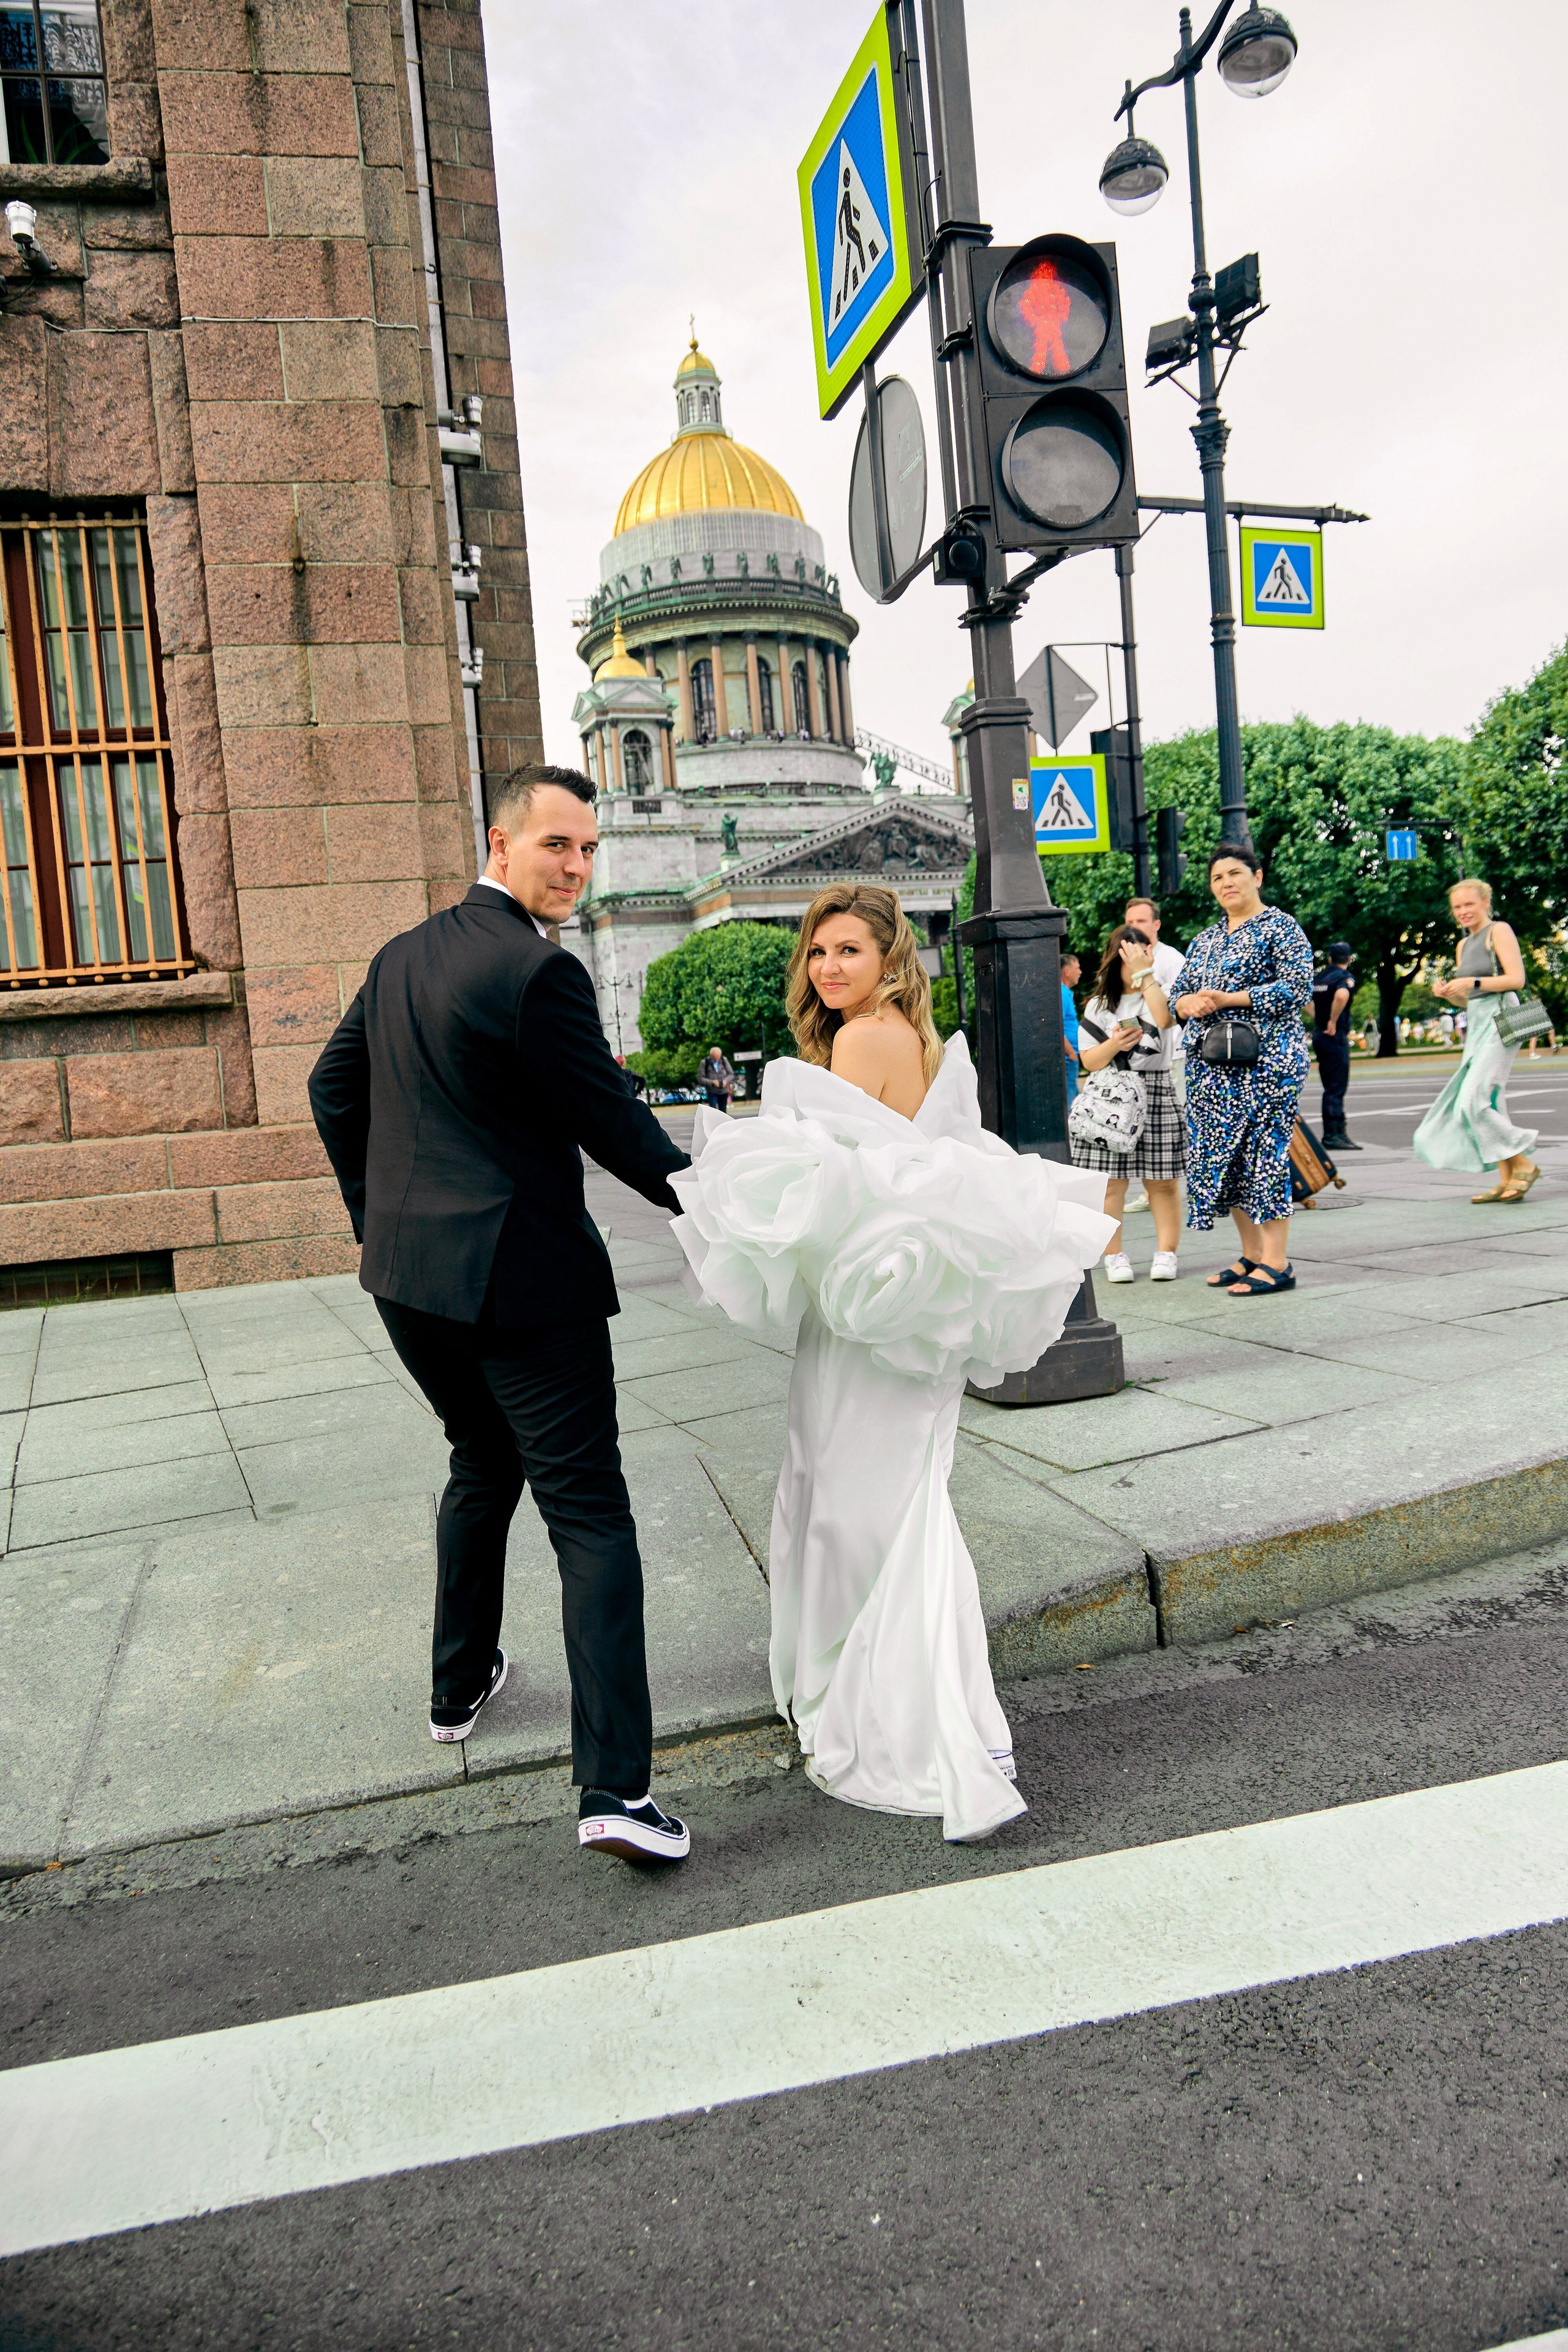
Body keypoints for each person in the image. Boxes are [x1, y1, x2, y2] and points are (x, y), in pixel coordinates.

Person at [669, 882, 1113, 1844]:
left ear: (889, 960)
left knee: (855, 1506)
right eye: (819, 951)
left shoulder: (866, 1040)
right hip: (897, 1305)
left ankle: (898, 1724)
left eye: (849, 952)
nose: (829, 966)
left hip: (873, 1312)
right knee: (895, 1500)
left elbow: (847, 1183)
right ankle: (913, 1705)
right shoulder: (904, 1034)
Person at [308, 763, 694, 1868]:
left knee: (482, 1462)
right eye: (556, 847)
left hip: (407, 1279)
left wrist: (373, 1213)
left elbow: (332, 1091)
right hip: (525, 1285)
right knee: (591, 1515)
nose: (574, 867)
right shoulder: (539, 970)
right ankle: (617, 1789)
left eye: (587, 851)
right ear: (502, 840)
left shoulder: (400, 956)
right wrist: (721, 1200)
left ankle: (457, 1683)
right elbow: (614, 1123)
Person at [1172, 845, 1313, 1297]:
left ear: (1258, 876)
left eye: (1235, 874)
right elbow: (1179, 993)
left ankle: (1278, 1261)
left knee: (1264, 1155)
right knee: (1227, 1159)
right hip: (1212, 1064)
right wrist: (1186, 1003)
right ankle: (1252, 1254)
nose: (1227, 883)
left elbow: (1297, 987)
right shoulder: (1206, 939)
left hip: (1268, 1061)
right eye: (1218, 878)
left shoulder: (1281, 928)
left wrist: (1231, 998)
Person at [1415, 879, 1540, 1201]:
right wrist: (1451, 992)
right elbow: (1470, 997)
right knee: (1491, 1099)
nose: (1463, 912)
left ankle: (1524, 1162)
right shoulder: (1462, 945)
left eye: (1469, 904)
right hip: (1480, 1019)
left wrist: (1470, 980)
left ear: (1486, 902)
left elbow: (1516, 979)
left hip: (1503, 1017)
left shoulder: (1499, 931)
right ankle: (1507, 1177)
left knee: (1473, 1098)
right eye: (1457, 907)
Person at [1071, 924, 1182, 1281]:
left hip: (1157, 1089)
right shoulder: (1100, 1006)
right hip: (1112, 1095)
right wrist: (1116, 1044)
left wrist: (1145, 973)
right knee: (1111, 1183)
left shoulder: (1159, 993)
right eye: (1129, 957)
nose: (1136, 963)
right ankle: (1114, 1255)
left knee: (1162, 1181)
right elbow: (1089, 1060)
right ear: (1115, 959)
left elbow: (1164, 1019)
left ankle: (1167, 1253)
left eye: (1144, 954)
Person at [1121, 894, 1186, 1211]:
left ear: (1156, 925)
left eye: (1141, 921)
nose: (1134, 928)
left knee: (1173, 1123)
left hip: (1172, 1055)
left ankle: (1163, 1190)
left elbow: (1175, 1011)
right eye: (1130, 922)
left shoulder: (1170, 960)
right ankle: (1154, 1191)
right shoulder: (1127, 959)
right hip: (1142, 1057)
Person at [1311, 940, 1360, 1150]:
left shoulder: (1319, 978)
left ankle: (1334, 1133)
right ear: (1348, 959)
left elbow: (1304, 999)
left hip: (1319, 1036)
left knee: (1329, 1086)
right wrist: (1332, 1021)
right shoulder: (1344, 978)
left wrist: (1319, 1019)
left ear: (1330, 959)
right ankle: (1334, 1135)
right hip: (1334, 1035)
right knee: (1336, 1087)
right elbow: (1342, 994)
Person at [1060, 948, 1082, 1102]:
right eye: (1077, 968)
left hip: (1070, 1057)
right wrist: (1072, 1054)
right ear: (1067, 971)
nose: (1080, 972)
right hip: (1068, 1059)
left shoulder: (1065, 992)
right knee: (1070, 1104)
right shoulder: (1061, 993)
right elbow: (1057, 1027)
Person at [698, 1044, 735, 1114]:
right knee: (713, 1111)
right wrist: (712, 1082)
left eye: (718, 1057)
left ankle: (723, 1124)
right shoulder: (705, 1063)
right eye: (714, 1058)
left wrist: (726, 1081)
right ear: (711, 1056)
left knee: (723, 1112)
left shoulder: (724, 1060)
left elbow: (731, 1074)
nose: (716, 1060)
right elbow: (700, 1078)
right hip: (712, 1091)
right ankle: (714, 1124)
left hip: (724, 1091)